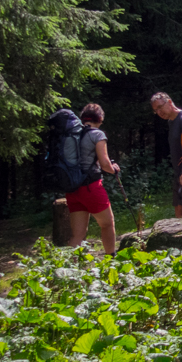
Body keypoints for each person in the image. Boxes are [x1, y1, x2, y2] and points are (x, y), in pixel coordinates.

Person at [67, 103, 119, 255]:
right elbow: (104, 164)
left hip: (72, 189)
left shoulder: (73, 134)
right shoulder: (97, 134)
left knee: (78, 235)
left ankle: (67, 270)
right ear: (100, 119)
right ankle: (111, 259)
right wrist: (113, 168)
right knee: (107, 224)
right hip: (91, 187)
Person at [150, 92, 182, 216]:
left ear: (169, 102)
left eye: (160, 107)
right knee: (179, 213)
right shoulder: (172, 122)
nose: (159, 112)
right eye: (155, 110)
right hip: (180, 174)